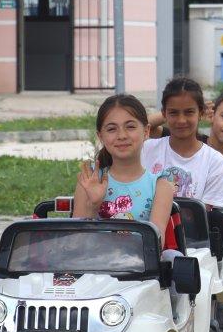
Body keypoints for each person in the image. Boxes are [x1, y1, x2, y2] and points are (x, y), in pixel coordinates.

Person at [73, 94, 174, 243]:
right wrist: (93, 206)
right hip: (94, 264)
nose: (121, 135)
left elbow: (156, 244)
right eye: (112, 129)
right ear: (101, 136)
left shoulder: (161, 185)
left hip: (140, 266)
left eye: (130, 127)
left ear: (146, 131)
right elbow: (76, 244)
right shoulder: (90, 179)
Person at [140, 77, 223, 210]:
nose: (181, 120)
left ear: (201, 113)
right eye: (173, 113)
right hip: (149, 230)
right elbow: (139, 128)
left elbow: (205, 219)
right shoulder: (146, 150)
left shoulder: (215, 162)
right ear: (164, 113)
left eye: (189, 112)